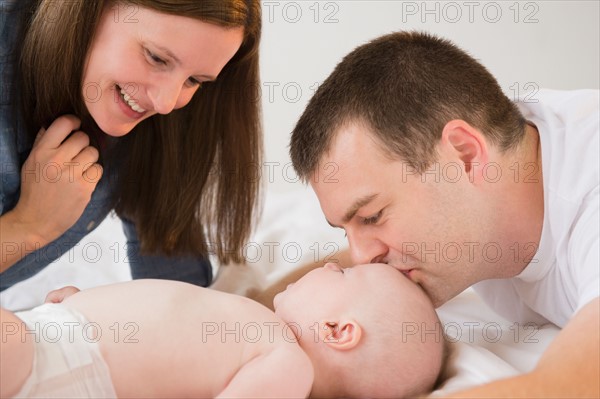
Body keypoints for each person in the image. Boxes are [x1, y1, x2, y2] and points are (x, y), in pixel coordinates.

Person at [288, 31, 599, 396]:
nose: (361, 258)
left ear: (465, 156)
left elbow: (559, 389)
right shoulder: (500, 175)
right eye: (347, 229)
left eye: (372, 216)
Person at [0, 1, 261, 290]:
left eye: (194, 80)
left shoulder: (159, 121)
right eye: (156, 58)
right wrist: (29, 225)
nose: (165, 103)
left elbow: (176, 292)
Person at [0, 263, 445, 398]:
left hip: (61, 363)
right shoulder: (263, 331)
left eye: (343, 275)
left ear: (337, 330)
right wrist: (82, 303)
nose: (330, 263)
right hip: (54, 340)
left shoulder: (288, 364)